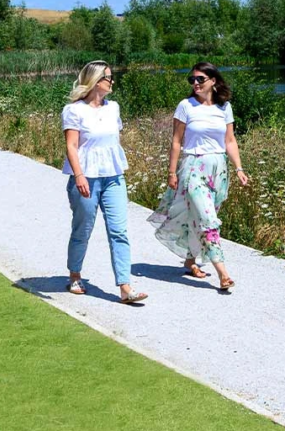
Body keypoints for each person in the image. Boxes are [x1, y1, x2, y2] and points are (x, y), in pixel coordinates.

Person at [148, 62, 249, 292]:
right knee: (207, 219)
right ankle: (223, 273)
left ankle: (190, 259)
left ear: (213, 81)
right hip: (193, 167)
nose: (195, 83)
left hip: (218, 169)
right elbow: (176, 142)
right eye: (192, 80)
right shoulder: (186, 106)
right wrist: (172, 172)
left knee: (200, 216)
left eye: (200, 79)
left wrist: (239, 168)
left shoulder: (224, 107)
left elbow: (230, 141)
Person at [62, 61, 147, 304]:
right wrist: (78, 175)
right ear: (95, 80)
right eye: (108, 77)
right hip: (86, 177)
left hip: (113, 176)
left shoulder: (114, 108)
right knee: (83, 229)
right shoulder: (74, 110)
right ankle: (75, 274)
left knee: (119, 231)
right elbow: (71, 145)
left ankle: (125, 287)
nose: (112, 81)